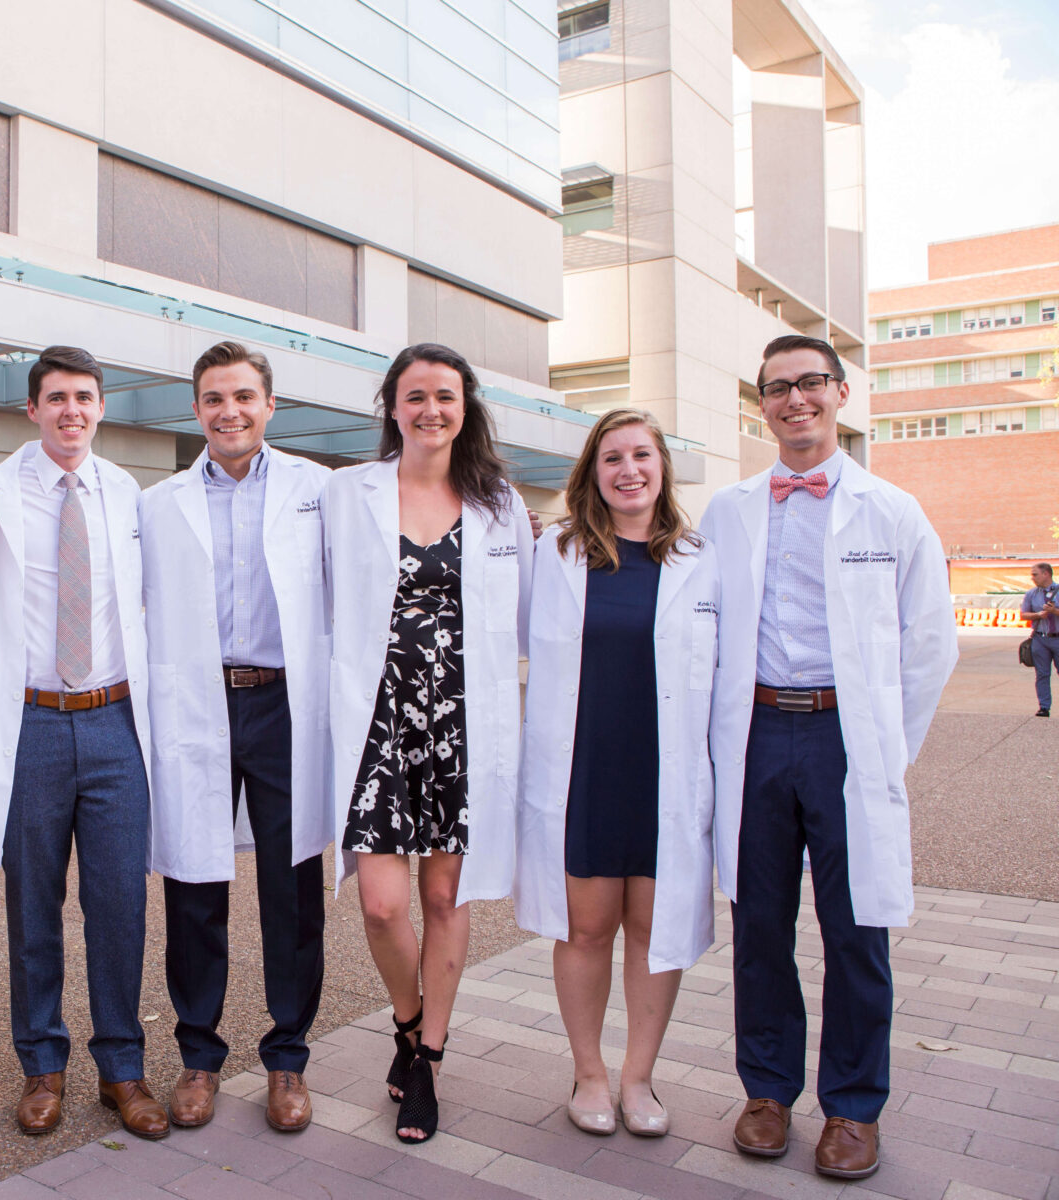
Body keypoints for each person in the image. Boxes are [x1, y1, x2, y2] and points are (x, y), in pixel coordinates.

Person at [702, 334, 957, 1181]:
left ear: (843, 394)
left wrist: (885, 748)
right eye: (777, 388)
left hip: (848, 738)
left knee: (857, 932)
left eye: (811, 383)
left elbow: (930, 645)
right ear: (762, 405)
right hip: (759, 731)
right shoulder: (729, 511)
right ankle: (768, 1091)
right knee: (759, 928)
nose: (794, 399)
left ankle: (852, 1108)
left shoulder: (892, 510)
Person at [322, 343, 532, 1143]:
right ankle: (407, 1027)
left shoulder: (500, 503)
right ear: (393, 406)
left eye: (445, 395)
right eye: (415, 397)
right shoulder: (349, 493)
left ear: (466, 405)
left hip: (461, 727)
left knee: (444, 897)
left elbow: (535, 611)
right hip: (377, 720)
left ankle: (430, 1061)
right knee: (381, 904)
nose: (431, 410)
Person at [0, 345, 166, 1140]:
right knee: (33, 907)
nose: (71, 411)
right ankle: (41, 1065)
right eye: (56, 398)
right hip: (31, 724)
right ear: (32, 410)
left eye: (84, 397)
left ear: (102, 406)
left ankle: (123, 1067)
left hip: (117, 721)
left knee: (119, 903)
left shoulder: (126, 493)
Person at [140, 341, 332, 1134]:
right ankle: (199, 1054)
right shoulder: (158, 503)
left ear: (270, 405)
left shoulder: (320, 491)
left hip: (284, 703)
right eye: (215, 398)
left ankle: (287, 1059)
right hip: (198, 702)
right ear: (196, 410)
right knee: (193, 882)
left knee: (292, 888)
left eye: (245, 397)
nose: (231, 412)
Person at [513, 409, 718, 1140]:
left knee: (654, 926)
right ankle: (589, 1073)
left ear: (661, 466)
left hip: (667, 773)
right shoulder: (556, 556)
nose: (628, 470)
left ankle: (638, 1078)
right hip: (585, 771)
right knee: (588, 928)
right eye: (612, 459)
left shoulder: (701, 558)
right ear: (591, 474)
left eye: (641, 455)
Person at [1020, 563, 1057, 716]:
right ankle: (1044, 707)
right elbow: (1023, 615)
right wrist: (1037, 615)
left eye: (1035, 574)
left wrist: (1054, 611)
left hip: (1057, 638)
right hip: (1040, 639)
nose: (1032, 578)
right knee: (1042, 674)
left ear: (1046, 574)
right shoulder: (1031, 594)